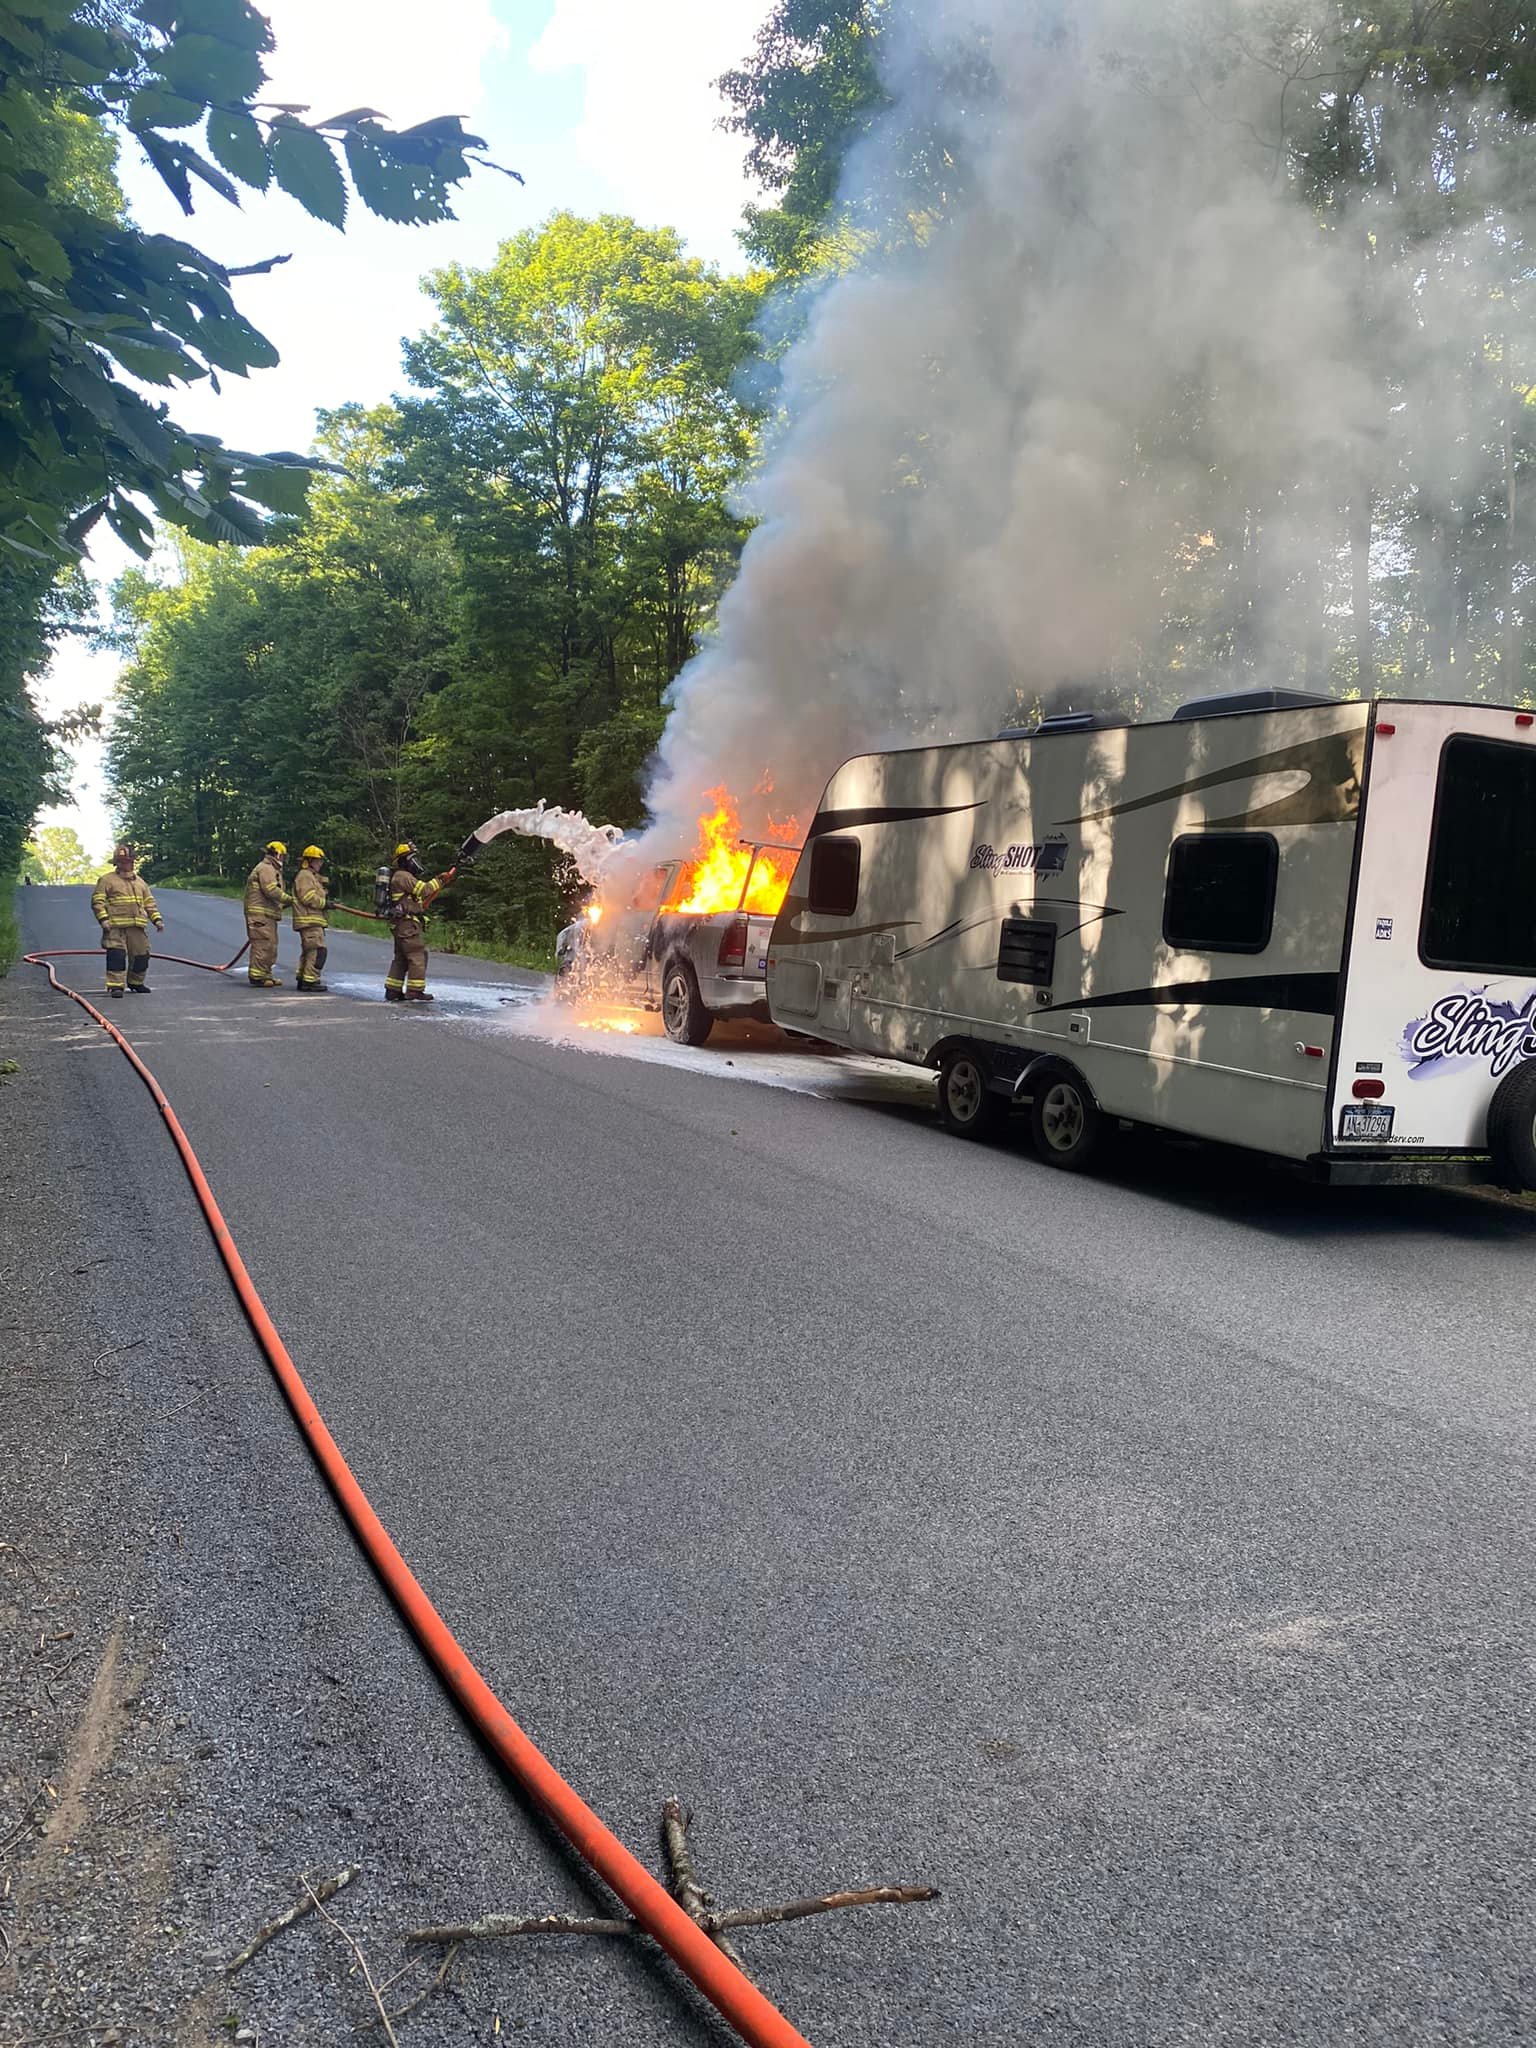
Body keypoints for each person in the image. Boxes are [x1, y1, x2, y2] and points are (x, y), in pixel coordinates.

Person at [384, 840, 455, 1002]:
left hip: (401, 924)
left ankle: (393, 990)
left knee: (401, 957)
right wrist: (440, 880)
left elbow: (415, 901)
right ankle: (415, 991)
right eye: (412, 858)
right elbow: (424, 890)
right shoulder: (403, 876)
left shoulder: (399, 877)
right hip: (406, 924)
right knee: (417, 955)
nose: (415, 862)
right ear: (403, 861)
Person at [90, 842, 163, 999]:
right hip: (114, 927)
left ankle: (136, 982)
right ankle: (116, 986)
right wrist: (103, 920)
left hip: (137, 927)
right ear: (116, 862)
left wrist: (157, 920)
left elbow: (149, 904)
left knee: (142, 956)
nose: (125, 864)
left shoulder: (140, 882)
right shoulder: (106, 880)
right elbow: (98, 901)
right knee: (117, 955)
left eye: (128, 861)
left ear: (132, 861)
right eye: (121, 861)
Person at [243, 840, 289, 987]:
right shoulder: (266, 868)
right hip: (259, 915)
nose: (283, 860)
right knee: (263, 945)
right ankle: (257, 977)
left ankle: (265, 974)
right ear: (278, 854)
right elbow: (271, 890)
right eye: (283, 856)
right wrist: (289, 899)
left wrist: (282, 904)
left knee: (270, 945)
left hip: (266, 915)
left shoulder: (271, 868)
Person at [292, 845, 331, 991]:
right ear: (309, 861)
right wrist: (324, 903)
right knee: (318, 950)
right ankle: (310, 982)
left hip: (312, 920)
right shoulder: (305, 875)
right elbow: (307, 897)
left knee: (310, 951)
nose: (320, 864)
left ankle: (303, 979)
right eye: (318, 860)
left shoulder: (311, 876)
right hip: (309, 920)